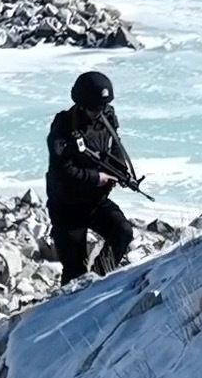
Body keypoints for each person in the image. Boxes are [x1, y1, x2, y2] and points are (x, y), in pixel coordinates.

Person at [44, 70, 143, 281]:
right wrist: (98, 178)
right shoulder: (63, 127)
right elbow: (65, 172)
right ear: (81, 104)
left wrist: (121, 171)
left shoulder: (107, 116)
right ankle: (69, 305)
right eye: (94, 108)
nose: (99, 112)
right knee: (74, 272)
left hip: (95, 201)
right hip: (67, 207)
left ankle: (99, 279)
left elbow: (115, 147)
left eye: (102, 106)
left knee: (122, 232)